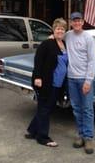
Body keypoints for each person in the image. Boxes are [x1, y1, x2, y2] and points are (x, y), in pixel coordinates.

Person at [25, 18, 68, 147]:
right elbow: (38, 60)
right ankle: (43, 137)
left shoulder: (64, 44)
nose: (60, 31)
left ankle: (32, 131)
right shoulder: (47, 43)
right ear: (53, 30)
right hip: (47, 82)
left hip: (58, 83)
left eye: (62, 29)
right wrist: (38, 77)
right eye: (58, 28)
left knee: (45, 108)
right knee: (45, 109)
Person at [66, 11, 95, 154]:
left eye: (79, 20)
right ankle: (80, 134)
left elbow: (92, 61)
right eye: (74, 21)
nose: (77, 23)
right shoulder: (68, 35)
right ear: (71, 22)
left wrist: (88, 80)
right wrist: (51, 36)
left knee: (87, 109)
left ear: (83, 22)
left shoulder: (88, 38)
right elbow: (57, 37)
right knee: (77, 109)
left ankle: (88, 137)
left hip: (84, 79)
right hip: (71, 78)